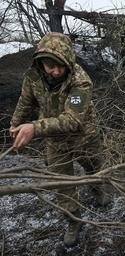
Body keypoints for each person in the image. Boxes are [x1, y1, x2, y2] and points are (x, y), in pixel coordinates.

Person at [9, 32, 111, 247]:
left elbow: (72, 120)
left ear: (69, 61)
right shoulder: (33, 76)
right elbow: (26, 101)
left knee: (94, 168)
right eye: (50, 66)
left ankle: (98, 189)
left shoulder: (80, 82)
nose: (55, 71)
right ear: (41, 63)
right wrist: (15, 124)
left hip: (83, 137)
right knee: (62, 185)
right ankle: (73, 220)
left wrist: (34, 128)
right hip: (55, 141)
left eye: (60, 66)